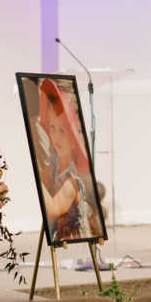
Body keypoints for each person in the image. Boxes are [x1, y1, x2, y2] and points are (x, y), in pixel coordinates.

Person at [33, 78, 104, 243]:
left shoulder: (73, 181)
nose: (55, 136)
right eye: (52, 127)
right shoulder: (53, 166)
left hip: (76, 240)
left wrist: (38, 171)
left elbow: (53, 209)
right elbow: (45, 181)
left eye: (63, 131)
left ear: (74, 139)